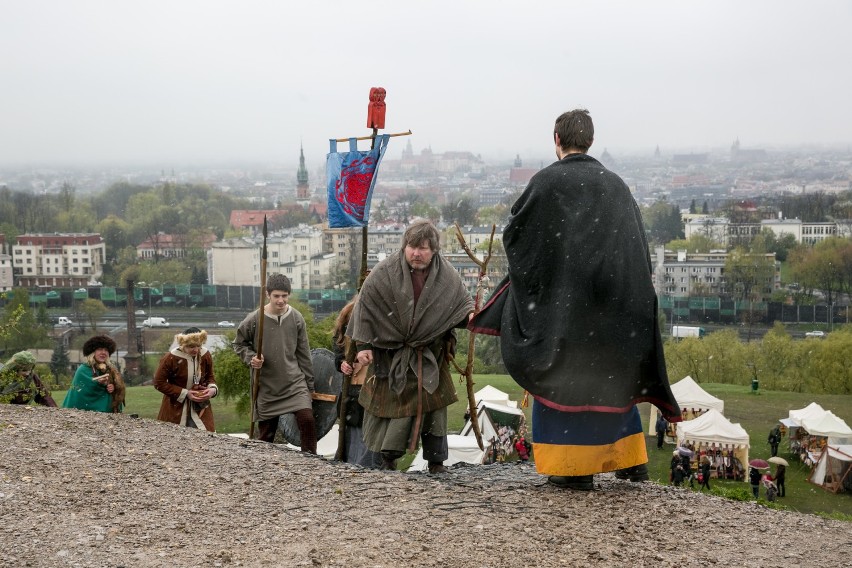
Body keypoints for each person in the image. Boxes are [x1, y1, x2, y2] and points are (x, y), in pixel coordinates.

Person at [468, 109, 680, 490]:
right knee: (612, 387)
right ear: (591, 141)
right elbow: (636, 253)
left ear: (556, 139)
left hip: (562, 316)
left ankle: (572, 470)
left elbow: (517, 240)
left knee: (560, 386)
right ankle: (629, 462)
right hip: (610, 314)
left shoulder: (546, 184)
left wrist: (549, 278)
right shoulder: (615, 185)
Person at [346, 220, 474, 473]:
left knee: (435, 411)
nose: (416, 253)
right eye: (412, 247)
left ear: (434, 250)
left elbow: (461, 305)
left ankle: (436, 462)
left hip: (430, 355)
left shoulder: (447, 276)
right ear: (404, 246)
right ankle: (388, 460)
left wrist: (471, 316)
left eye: (423, 248)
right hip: (392, 356)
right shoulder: (384, 272)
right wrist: (363, 345)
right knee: (396, 412)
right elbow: (365, 309)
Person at [233, 273, 317, 452]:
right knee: (266, 437)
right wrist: (251, 358)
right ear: (268, 294)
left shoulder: (296, 318)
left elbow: (304, 354)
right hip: (266, 385)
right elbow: (239, 344)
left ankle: (312, 463)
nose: (281, 300)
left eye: (284, 296)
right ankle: (264, 469)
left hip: (294, 383)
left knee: (307, 420)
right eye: (276, 296)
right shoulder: (255, 319)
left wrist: (310, 386)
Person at [333, 296, 382, 468]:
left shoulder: (386, 315)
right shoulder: (349, 315)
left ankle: (370, 469)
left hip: (377, 385)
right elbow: (339, 346)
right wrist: (342, 363)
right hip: (353, 388)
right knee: (353, 432)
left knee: (373, 432)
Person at [154, 327, 218, 431]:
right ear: (182, 344)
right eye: (191, 346)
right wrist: (185, 393)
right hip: (174, 407)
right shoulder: (171, 358)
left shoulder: (205, 355)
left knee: (206, 438)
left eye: (198, 346)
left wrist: (212, 389)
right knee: (173, 438)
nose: (196, 350)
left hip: (200, 407)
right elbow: (159, 383)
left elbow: (210, 377)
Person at [62, 335, 125, 413]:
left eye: (106, 350)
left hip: (106, 413)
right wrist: (97, 383)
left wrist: (113, 387)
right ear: (92, 352)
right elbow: (81, 389)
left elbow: (118, 387)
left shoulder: (111, 369)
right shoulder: (83, 369)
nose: (103, 353)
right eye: (100, 349)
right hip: (83, 412)